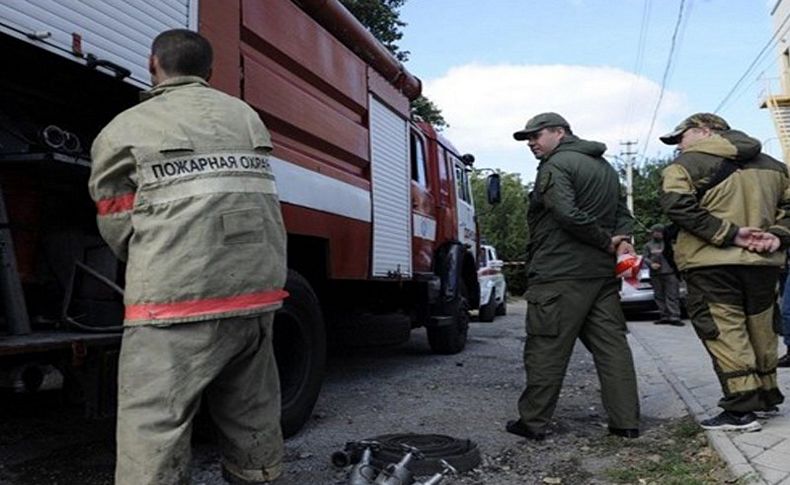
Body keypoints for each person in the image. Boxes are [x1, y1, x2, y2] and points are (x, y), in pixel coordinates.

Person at [89, 30, 288, 484]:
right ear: (210, 71)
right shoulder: (246, 117)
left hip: (173, 298)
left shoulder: (125, 128)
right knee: (252, 410)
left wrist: (150, 258)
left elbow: (116, 216)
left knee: (154, 422)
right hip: (254, 292)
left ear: (152, 63)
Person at [507, 112, 641, 440]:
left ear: (560, 132)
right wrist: (620, 238)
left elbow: (565, 212)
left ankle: (533, 422)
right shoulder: (604, 168)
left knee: (546, 348)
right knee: (612, 349)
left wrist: (604, 240)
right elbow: (624, 214)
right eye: (528, 139)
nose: (531, 143)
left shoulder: (556, 165)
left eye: (536, 136)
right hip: (599, 277)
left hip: (559, 274)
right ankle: (626, 423)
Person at [660, 112, 789, 432]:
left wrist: (729, 234)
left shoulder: (685, 166)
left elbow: (677, 207)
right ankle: (766, 395)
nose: (679, 145)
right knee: (761, 327)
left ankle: (740, 409)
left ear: (704, 131)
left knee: (723, 330)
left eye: (681, 137)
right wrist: (776, 235)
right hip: (763, 261)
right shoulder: (775, 166)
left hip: (710, 262)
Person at [642, 223, 683, 326]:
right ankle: (664, 316)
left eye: (660, 232)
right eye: (656, 232)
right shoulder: (648, 246)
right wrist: (651, 264)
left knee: (673, 295)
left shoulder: (670, 243)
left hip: (670, 273)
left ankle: (675, 316)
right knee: (659, 296)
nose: (658, 234)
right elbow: (644, 257)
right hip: (656, 274)